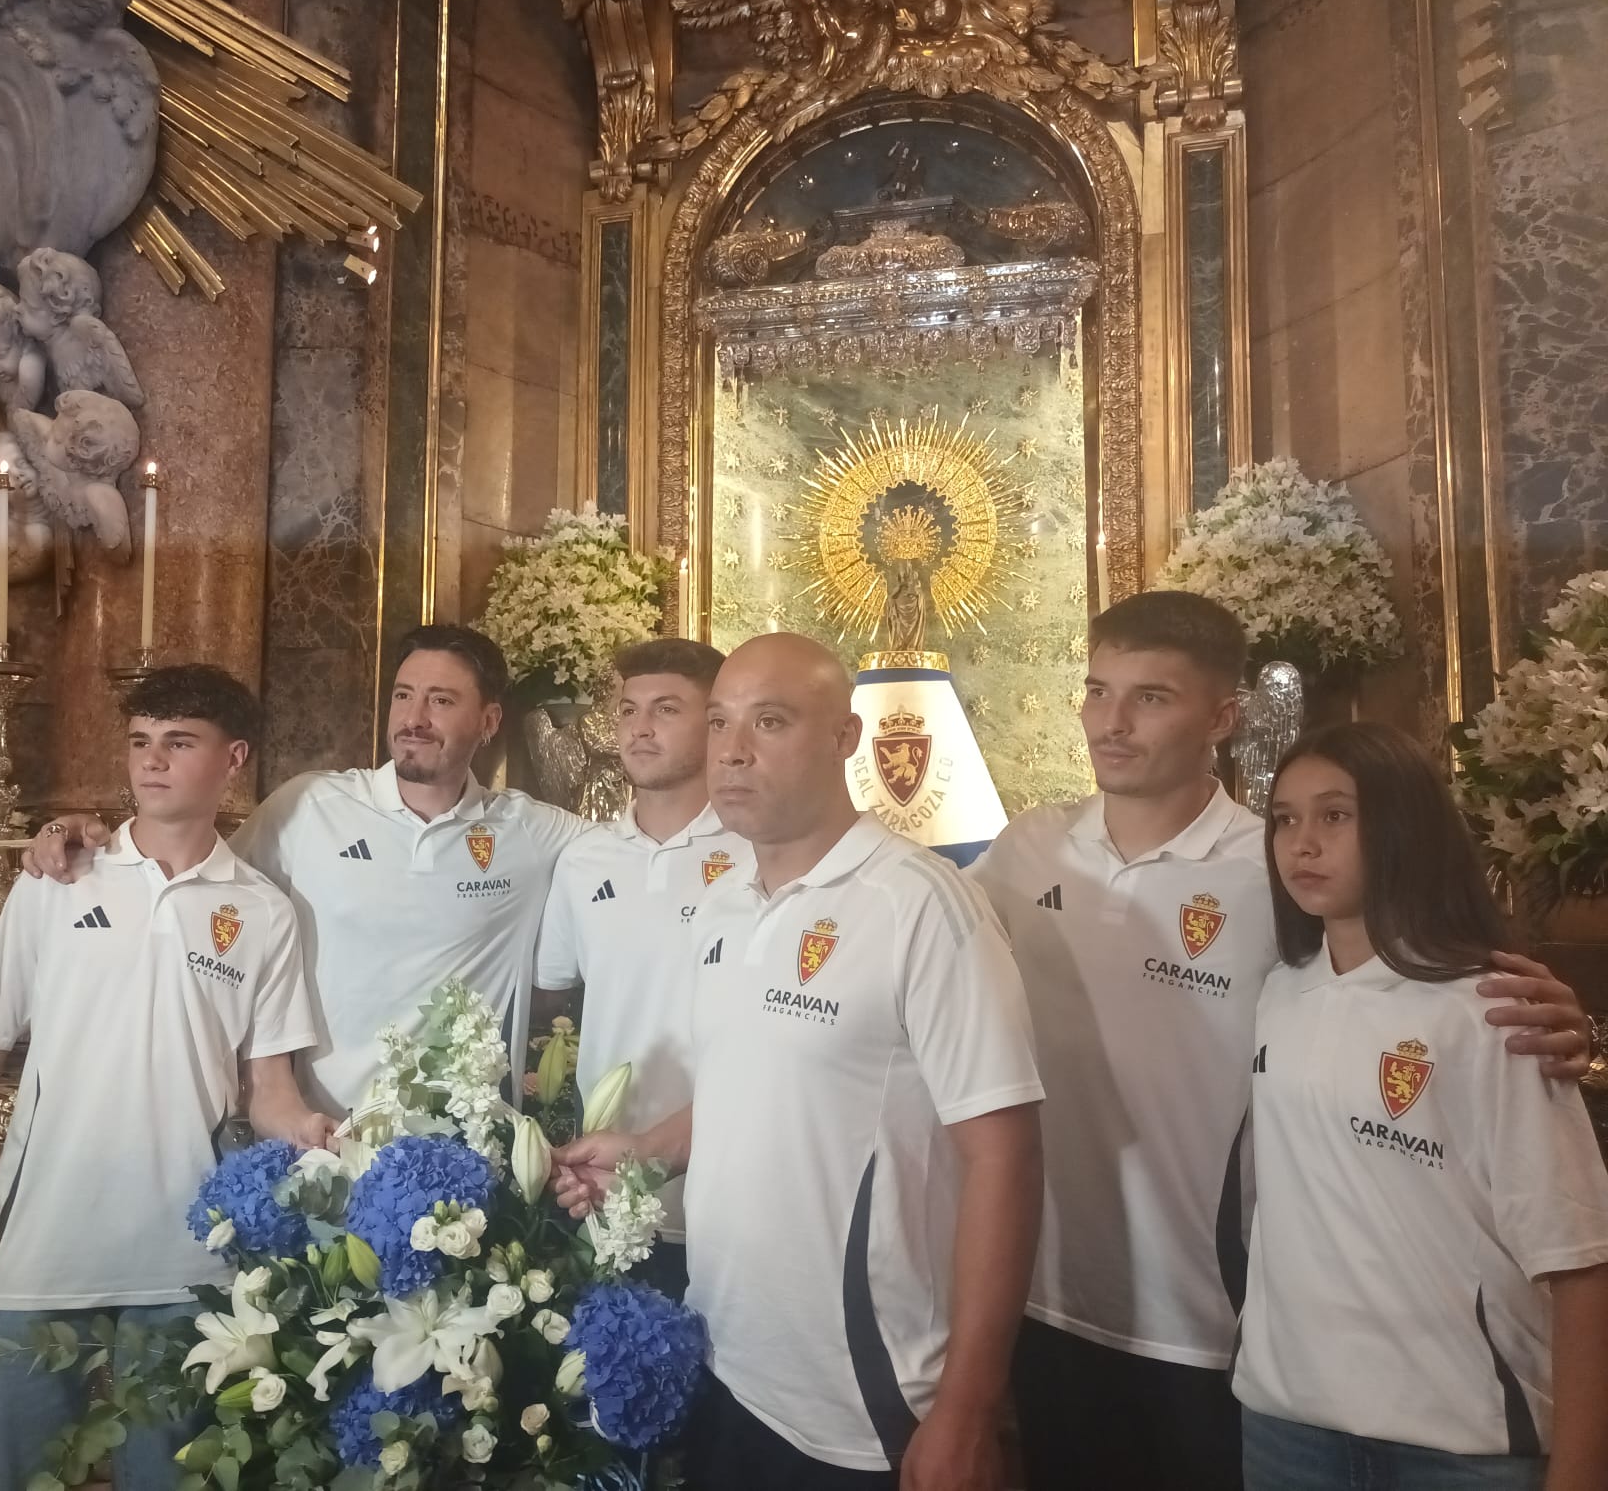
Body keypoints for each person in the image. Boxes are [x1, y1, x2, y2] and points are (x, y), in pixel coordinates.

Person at [967, 591, 1596, 1491]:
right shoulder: (1025, 850)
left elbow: (1410, 977)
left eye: (1150, 697)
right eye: (1098, 691)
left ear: (1222, 718)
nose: (1112, 722)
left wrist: (1552, 1013)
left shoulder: (1272, 869)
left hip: (1219, 1322)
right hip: (1053, 1297)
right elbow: (919, 956)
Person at [556, 632, 1043, 1491]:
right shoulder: (725, 896)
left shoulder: (921, 908)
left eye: (770, 722)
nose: (734, 751)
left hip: (864, 1397)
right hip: (729, 1357)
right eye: (719, 723)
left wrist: (969, 1405)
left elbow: (1004, 1155)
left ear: (844, 739)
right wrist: (649, 1150)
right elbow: (750, 1087)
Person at [0, 664, 328, 1491]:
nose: (153, 761)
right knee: (12, 1478)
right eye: (141, 742)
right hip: (41, 1247)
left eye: (179, 743)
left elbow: (272, 1091)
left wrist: (323, 1140)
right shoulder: (58, 879)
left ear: (234, 758)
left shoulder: (263, 912)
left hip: (186, 1261)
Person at [1237, 722, 1608, 1490]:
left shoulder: (1491, 1009)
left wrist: (1580, 1470)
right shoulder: (1278, 992)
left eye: (1335, 815)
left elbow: (1580, 1262)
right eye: (1284, 818)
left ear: (1402, 825)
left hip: (1456, 1441)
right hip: (1287, 1423)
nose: (1302, 843)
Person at [25, 624, 587, 1117]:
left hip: (461, 1153)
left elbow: (645, 844)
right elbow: (191, 881)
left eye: (441, 701)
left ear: (489, 721)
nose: (414, 719)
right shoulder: (311, 805)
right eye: (403, 696)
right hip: (314, 1144)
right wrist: (83, 833)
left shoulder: (532, 832)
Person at [532, 637, 751, 1299]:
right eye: (628, 711)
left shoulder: (755, 849)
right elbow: (557, 1001)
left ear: (715, 723)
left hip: (731, 1187)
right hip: (606, 1184)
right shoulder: (584, 859)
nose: (640, 729)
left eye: (665, 710)